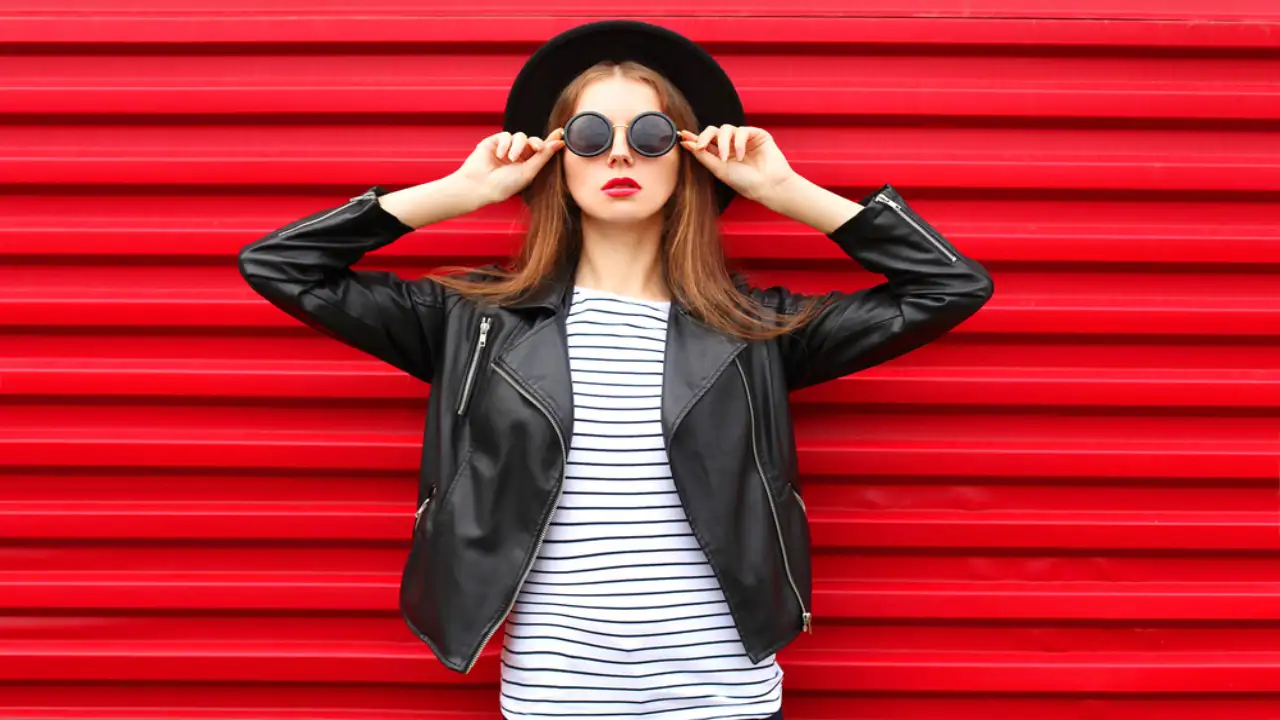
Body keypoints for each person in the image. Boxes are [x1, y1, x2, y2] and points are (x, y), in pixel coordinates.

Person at [237, 19, 994, 720]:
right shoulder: (471, 324)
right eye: (590, 135)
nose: (621, 154)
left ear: (688, 155)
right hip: (555, 689)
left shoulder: (756, 330)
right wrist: (461, 193)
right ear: (554, 154)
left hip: (723, 688)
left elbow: (949, 287)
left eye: (654, 135)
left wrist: (783, 191)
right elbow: (280, 265)